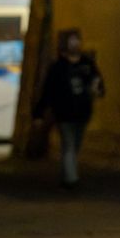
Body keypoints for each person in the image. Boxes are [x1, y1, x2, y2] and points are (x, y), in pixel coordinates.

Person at [34, 29, 105, 190]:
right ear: (65, 44)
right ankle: (72, 180)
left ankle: (67, 176)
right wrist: (39, 113)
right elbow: (48, 90)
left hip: (83, 112)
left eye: (77, 41)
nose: (76, 44)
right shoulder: (58, 67)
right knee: (69, 144)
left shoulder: (87, 64)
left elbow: (98, 81)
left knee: (75, 146)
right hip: (64, 113)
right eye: (72, 41)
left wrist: (98, 89)